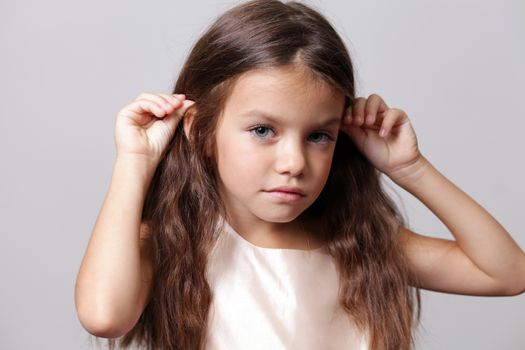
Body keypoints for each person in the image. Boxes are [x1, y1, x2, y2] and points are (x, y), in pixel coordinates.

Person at [74, 1, 525, 349]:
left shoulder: (359, 242)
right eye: (263, 130)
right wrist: (135, 162)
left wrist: (411, 168)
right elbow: (104, 315)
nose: (294, 162)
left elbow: (507, 274)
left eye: (318, 136)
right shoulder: (172, 241)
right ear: (200, 129)